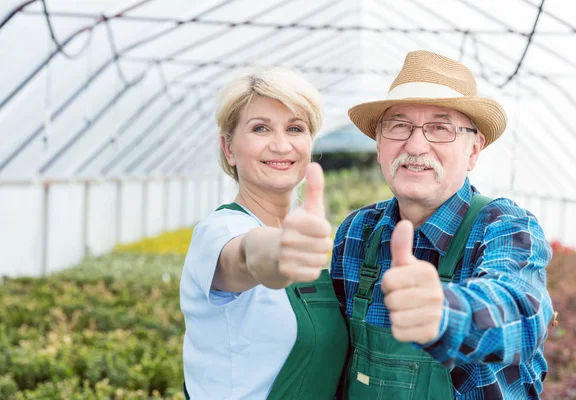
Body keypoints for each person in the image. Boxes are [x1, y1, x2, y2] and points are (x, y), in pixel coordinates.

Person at [330, 50, 555, 399]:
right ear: (379, 144)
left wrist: (442, 312)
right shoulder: (357, 232)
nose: (416, 145)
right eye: (399, 125)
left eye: (440, 128)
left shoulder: (504, 226)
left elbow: (523, 314)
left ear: (474, 150)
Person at [179, 67, 348, 399]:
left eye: (295, 128)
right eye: (260, 128)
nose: (281, 145)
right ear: (228, 148)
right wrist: (280, 250)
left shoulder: (306, 234)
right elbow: (246, 258)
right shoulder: (218, 232)